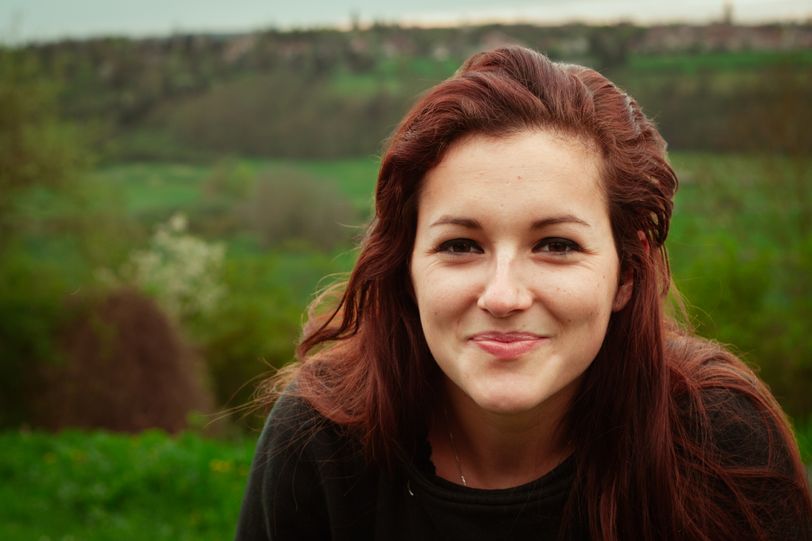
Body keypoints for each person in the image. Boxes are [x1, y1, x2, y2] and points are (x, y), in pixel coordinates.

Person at [235, 46, 812, 540]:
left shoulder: (720, 443)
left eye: (556, 245)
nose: (504, 296)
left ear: (627, 273)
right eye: (460, 245)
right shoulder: (321, 443)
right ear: (406, 268)